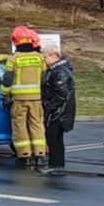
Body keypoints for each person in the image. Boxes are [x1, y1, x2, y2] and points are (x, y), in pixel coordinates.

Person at [0, 26, 48, 170]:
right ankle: (40, 155)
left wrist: (4, 94)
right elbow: (45, 79)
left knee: (19, 127)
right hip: (37, 99)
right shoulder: (40, 58)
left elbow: (7, 80)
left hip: (19, 100)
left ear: (15, 41)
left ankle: (24, 156)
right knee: (37, 126)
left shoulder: (14, 59)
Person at [41, 46, 76, 176]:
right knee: (53, 138)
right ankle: (55, 164)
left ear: (54, 56)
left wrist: (50, 107)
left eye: (45, 57)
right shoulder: (56, 70)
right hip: (58, 111)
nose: (44, 60)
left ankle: (56, 165)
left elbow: (61, 94)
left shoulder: (60, 71)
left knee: (54, 137)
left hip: (59, 112)